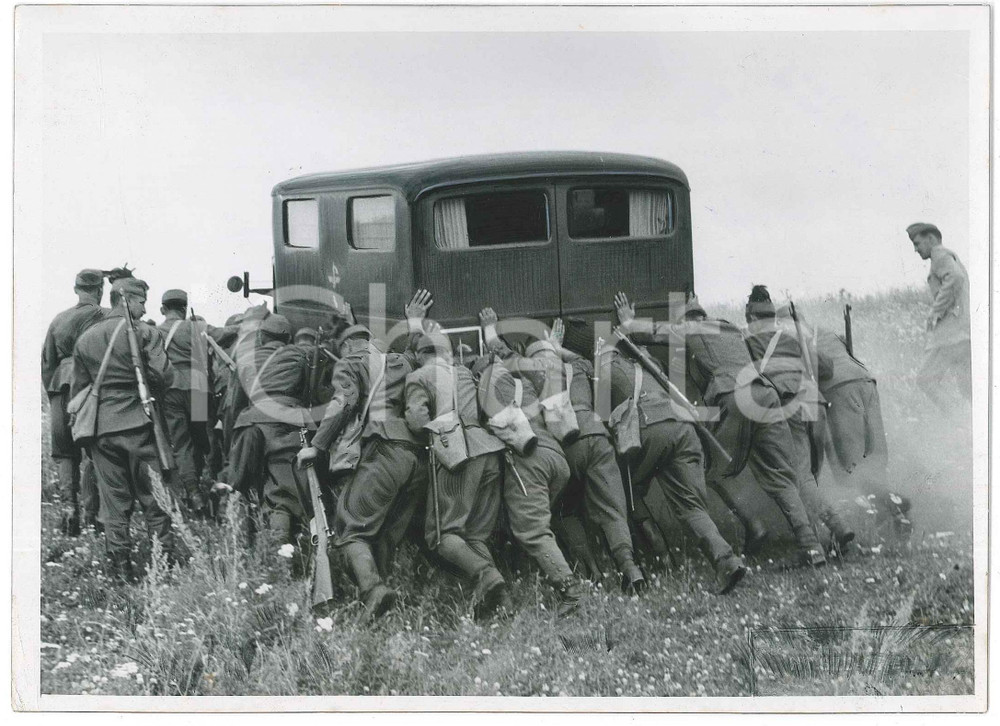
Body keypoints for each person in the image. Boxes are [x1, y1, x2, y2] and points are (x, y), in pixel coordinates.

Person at [614, 292, 827, 567]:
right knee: (782, 475)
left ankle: (754, 525)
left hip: (736, 397)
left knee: (716, 471)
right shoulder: (732, 328)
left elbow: (656, 332)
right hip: (766, 394)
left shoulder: (692, 328)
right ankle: (811, 547)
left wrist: (629, 323)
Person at [481, 310, 645, 593]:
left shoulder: (533, 369)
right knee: (613, 510)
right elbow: (596, 364)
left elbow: (502, 353)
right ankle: (630, 568)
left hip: (566, 444)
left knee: (564, 512)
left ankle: (590, 572)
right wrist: (558, 348)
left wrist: (489, 330)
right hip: (597, 436)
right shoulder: (578, 366)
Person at [296, 292, 431, 619]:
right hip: (415, 458)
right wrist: (414, 322)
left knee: (351, 530)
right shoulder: (399, 361)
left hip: (380, 451)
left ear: (344, 348)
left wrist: (318, 444)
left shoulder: (350, 363)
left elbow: (344, 400)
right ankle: (380, 606)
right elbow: (417, 352)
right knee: (382, 533)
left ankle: (373, 590)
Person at [594, 320, 747, 594]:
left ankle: (659, 558)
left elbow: (603, 417)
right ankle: (725, 559)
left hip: (648, 428)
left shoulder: (606, 365)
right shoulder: (648, 363)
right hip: (682, 428)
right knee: (691, 507)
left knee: (625, 489)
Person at [71, 277, 189, 581]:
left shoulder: (86, 338)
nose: (144, 307)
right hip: (141, 424)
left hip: (101, 430)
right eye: (142, 301)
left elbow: (80, 390)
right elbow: (165, 377)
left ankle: (120, 567)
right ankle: (164, 562)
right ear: (129, 299)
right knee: (154, 496)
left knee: (113, 500)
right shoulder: (145, 332)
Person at [476, 308, 588, 616]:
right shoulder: (530, 374)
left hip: (529, 461)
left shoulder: (493, 381)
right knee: (537, 525)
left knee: (533, 531)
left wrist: (487, 329)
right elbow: (503, 350)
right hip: (556, 456)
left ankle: (571, 592)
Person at [404, 329, 512, 619]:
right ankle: (500, 606)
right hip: (489, 452)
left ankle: (489, 578)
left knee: (442, 534)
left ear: (420, 355)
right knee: (475, 535)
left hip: (457, 455)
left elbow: (416, 422)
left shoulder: (418, 377)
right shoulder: (463, 372)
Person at [781, 305, 913, 537]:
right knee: (873, 457)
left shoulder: (793, 339)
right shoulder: (826, 332)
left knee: (851, 465)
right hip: (866, 383)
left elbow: (819, 369)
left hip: (840, 391)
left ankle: (895, 513)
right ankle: (890, 514)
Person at [744, 286, 855, 551]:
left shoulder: (748, 338)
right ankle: (833, 529)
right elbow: (822, 365)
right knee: (807, 474)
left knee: (797, 477)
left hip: (785, 403)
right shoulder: (792, 331)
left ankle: (827, 531)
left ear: (750, 314)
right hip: (810, 401)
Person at [228, 314, 314, 566]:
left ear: (261, 336)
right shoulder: (299, 356)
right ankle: (281, 563)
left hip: (249, 424)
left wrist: (230, 445)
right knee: (282, 495)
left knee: (240, 490)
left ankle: (243, 554)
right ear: (287, 338)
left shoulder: (246, 360)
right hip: (286, 422)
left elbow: (234, 405)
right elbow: (308, 395)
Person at [156, 289, 236, 515]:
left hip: (171, 390)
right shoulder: (196, 327)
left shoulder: (155, 331)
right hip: (199, 389)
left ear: (163, 309)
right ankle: (213, 487)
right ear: (184, 307)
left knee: (181, 442)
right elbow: (225, 334)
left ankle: (193, 493)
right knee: (204, 439)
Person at [41, 268, 107, 535]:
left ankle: (70, 514)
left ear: (76, 289)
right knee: (94, 449)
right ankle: (93, 516)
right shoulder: (102, 316)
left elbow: (47, 363)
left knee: (64, 454)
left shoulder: (58, 319)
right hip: (91, 387)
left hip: (60, 386)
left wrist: (55, 393)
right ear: (101, 291)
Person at [907, 223, 972, 409]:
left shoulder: (940, 255)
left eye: (917, 243)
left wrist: (936, 311)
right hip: (963, 333)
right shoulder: (951, 256)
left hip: (950, 336)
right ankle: (970, 425)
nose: (915, 249)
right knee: (968, 388)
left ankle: (958, 420)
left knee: (925, 379)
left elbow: (955, 278)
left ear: (931, 239)